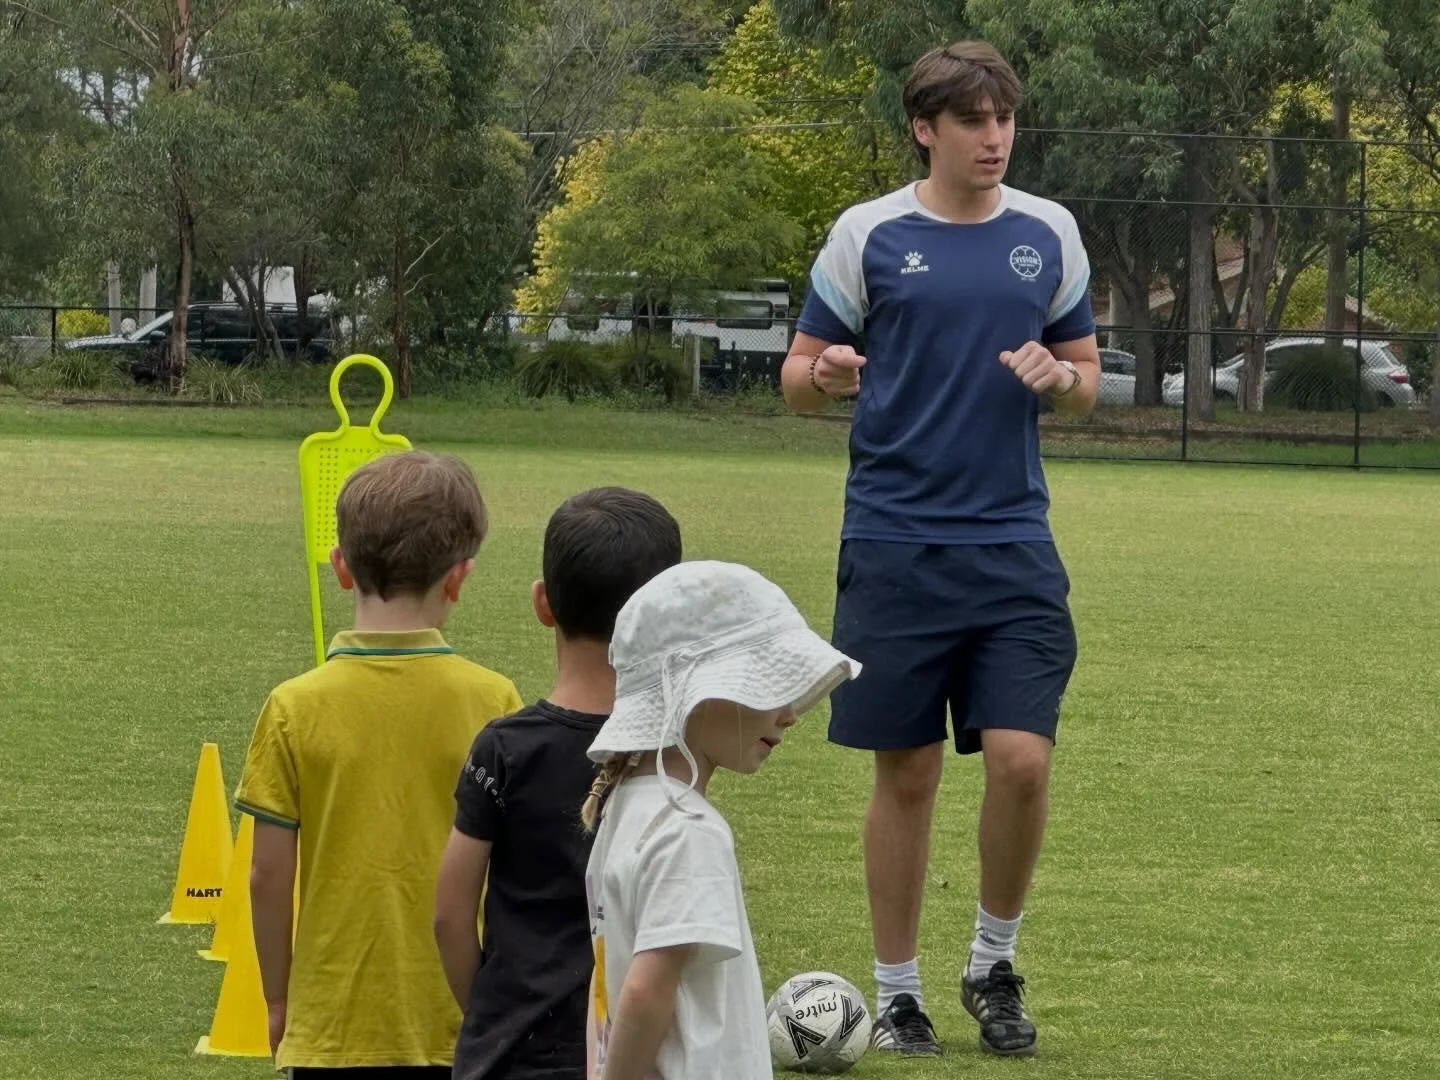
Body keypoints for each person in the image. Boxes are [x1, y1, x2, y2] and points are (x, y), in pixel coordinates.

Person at [780, 40, 1101, 1059]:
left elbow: (1088, 375)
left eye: (1004, 118)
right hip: (893, 543)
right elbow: (797, 377)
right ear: (925, 128)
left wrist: (1063, 379)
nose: (994, 137)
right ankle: (899, 992)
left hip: (1012, 545)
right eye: (971, 121)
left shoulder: (1049, 232)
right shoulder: (867, 234)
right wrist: (827, 370)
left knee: (1021, 761)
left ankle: (991, 965)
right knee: (908, 775)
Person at [236, 450, 524, 1079]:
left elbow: (266, 874)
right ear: (459, 577)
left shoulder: (292, 707)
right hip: (460, 1020)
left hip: (329, 1028)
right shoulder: (495, 701)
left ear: (341, 567)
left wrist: (280, 1000)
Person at [433, 487, 683, 1080]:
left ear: (543, 603)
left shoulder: (503, 748)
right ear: (665, 620)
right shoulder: (675, 756)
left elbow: (450, 912)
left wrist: (491, 1015)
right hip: (627, 1052)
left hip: (506, 1050)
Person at [581, 561, 862, 1080]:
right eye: (765, 685)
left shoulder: (623, 807)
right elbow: (645, 990)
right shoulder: (689, 829)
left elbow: (604, 993)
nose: (789, 713)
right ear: (693, 690)